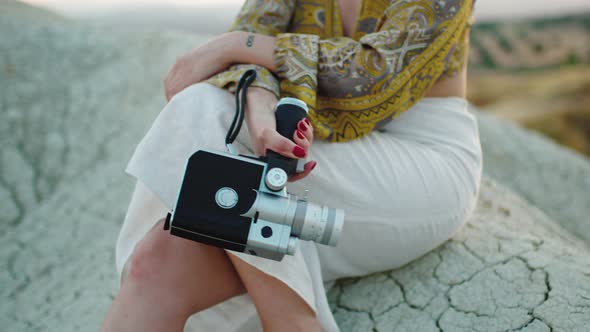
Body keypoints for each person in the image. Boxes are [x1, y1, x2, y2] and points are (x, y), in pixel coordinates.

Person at [101, 0, 482, 331]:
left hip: (419, 160)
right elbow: (256, 40)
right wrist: (260, 109)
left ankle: (291, 320)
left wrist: (235, 45)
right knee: (154, 266)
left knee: (201, 108)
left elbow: (369, 78)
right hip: (318, 145)